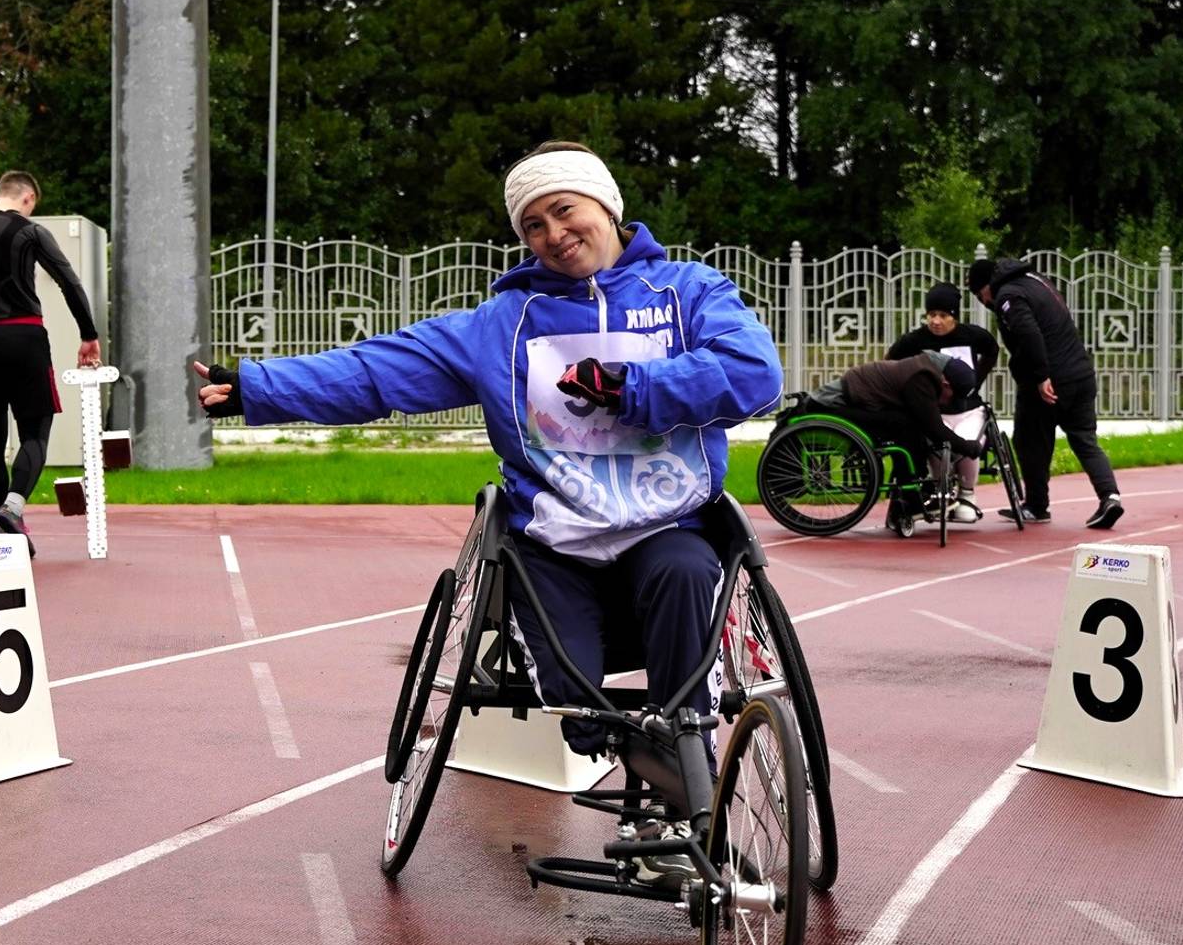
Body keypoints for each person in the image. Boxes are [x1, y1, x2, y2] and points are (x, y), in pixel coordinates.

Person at [192, 142, 780, 798]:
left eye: (564, 210)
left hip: (665, 527)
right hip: (554, 544)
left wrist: (630, 388)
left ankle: (683, 772)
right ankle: (630, 746)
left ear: (607, 205)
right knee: (580, 715)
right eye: (533, 224)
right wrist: (257, 388)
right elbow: (374, 371)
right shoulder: (500, 326)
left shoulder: (689, 292)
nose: (554, 234)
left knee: (686, 572)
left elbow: (754, 375)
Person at [0, 171, 101, 548]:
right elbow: (69, 282)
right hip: (25, 338)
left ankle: (7, 532)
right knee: (35, 433)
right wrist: (88, 334)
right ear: (28, 198)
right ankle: (13, 507)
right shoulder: (31, 231)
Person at [969, 254, 1123, 530]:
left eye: (981, 297)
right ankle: (1110, 496)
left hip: (1048, 381)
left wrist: (1041, 377)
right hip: (1080, 372)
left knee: (1029, 441)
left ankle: (1036, 505)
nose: (985, 303)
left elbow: (1028, 333)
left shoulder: (1008, 296)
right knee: (1085, 440)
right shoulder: (1036, 280)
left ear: (985, 287)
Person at [887, 283, 1001, 521]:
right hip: (935, 411)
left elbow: (992, 350)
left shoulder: (973, 335)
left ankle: (967, 494)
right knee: (937, 444)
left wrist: (976, 380)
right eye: (931, 315)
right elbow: (889, 362)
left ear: (954, 316)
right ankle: (942, 492)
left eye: (943, 315)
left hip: (969, 410)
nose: (936, 321)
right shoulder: (914, 341)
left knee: (968, 442)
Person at [838, 352, 980, 537]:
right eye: (953, 396)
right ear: (946, 384)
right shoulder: (921, 382)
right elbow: (936, 431)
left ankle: (912, 490)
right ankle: (911, 495)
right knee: (903, 427)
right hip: (851, 399)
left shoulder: (931, 372)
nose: (950, 402)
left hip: (866, 394)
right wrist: (968, 448)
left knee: (910, 428)